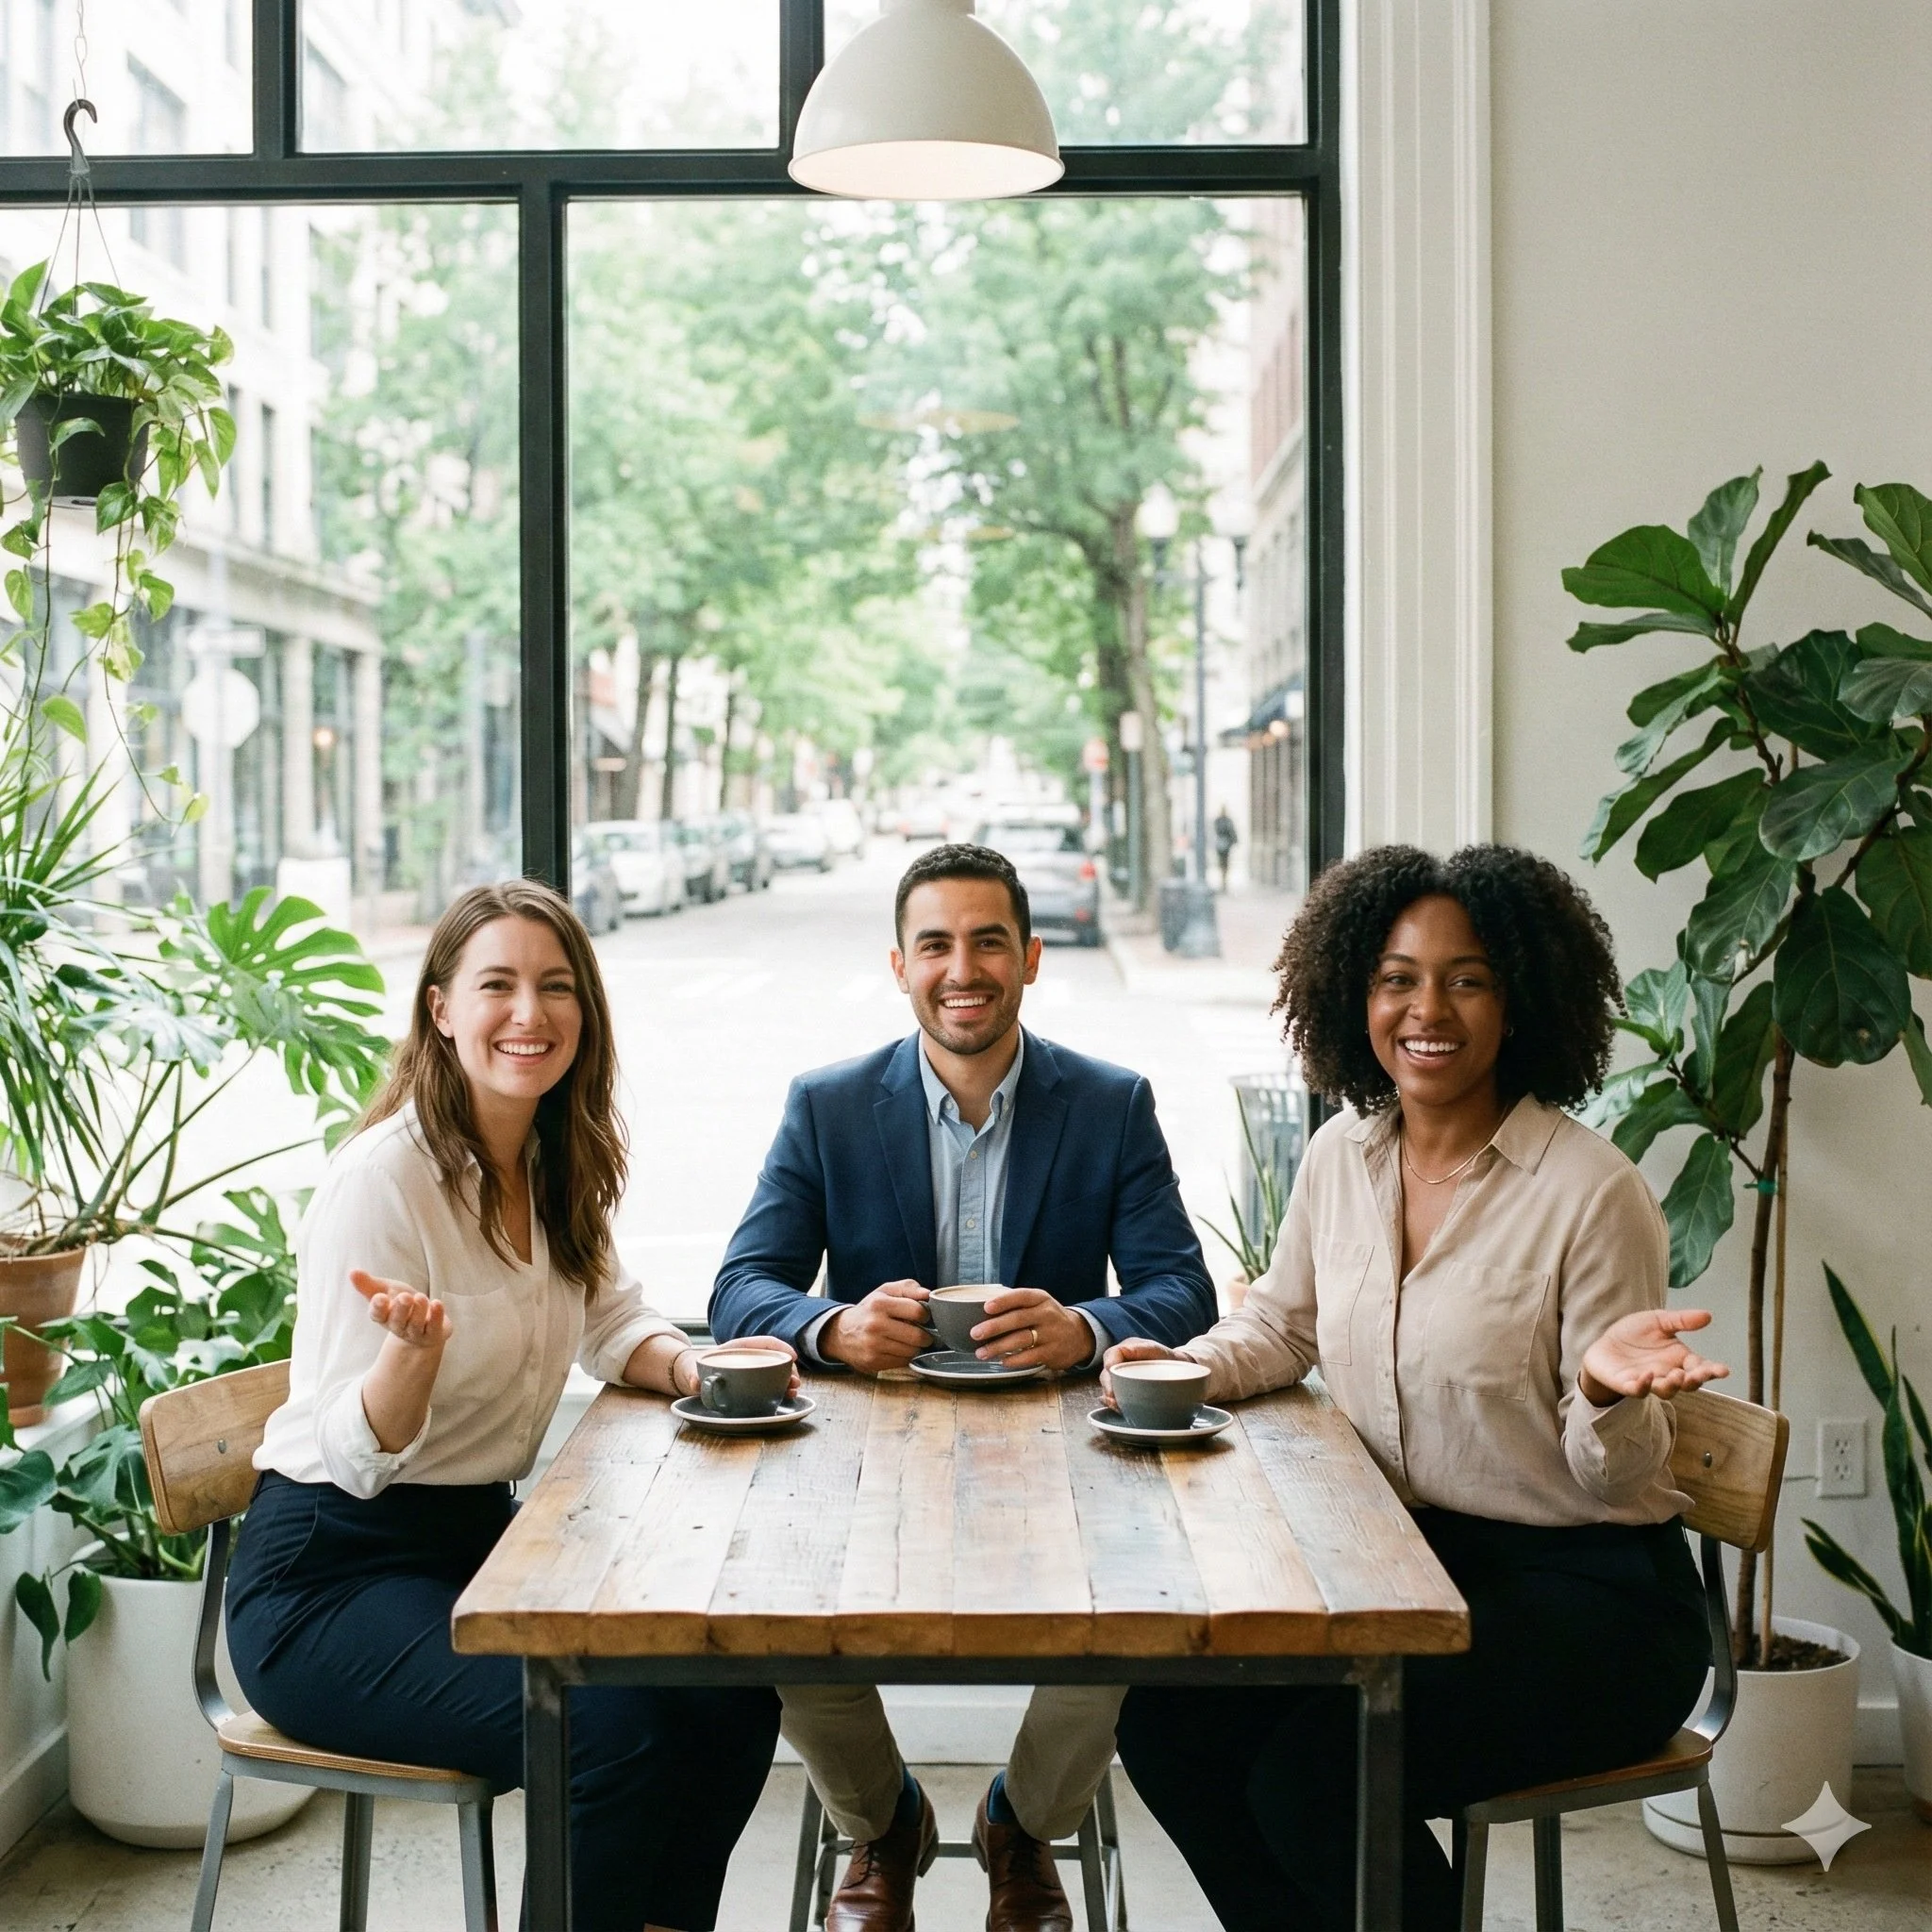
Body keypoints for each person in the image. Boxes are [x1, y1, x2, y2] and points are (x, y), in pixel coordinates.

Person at [1102, 844, 1724, 1932]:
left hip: (1592, 1597)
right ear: (1356, 992)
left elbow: (1613, 1470)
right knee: (1168, 1725)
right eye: (1396, 976)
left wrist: (1604, 1389)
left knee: (1313, 1778)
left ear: (1518, 996)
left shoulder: (1590, 1191)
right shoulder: (1342, 1153)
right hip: (1413, 1572)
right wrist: (1179, 1367)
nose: (1425, 1007)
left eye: (1466, 976)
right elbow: (1280, 1323)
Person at [227, 881, 783, 1932]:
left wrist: (703, 1371)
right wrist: (409, 1359)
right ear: (441, 1008)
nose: (529, 1013)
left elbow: (615, 1321)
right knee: (601, 1729)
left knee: (727, 1694)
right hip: (326, 1578)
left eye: (555, 986)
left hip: (474, 1553)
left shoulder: (555, 1158)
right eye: (497, 985)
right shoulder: (382, 1181)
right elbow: (350, 1451)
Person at [710, 841, 1216, 1932]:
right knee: (772, 1610)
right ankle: (880, 1817)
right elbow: (738, 1286)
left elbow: (1184, 1287)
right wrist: (831, 1324)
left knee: (1142, 1610)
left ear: (1030, 957)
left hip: (1065, 1456)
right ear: (899, 965)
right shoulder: (828, 1104)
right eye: (934, 943)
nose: (962, 967)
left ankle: (1020, 1823)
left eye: (988, 940)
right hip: (865, 1460)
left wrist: (1084, 1327)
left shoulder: (1110, 1101)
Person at [1212, 806, 1238, 891]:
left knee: (1225, 863)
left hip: (1226, 845)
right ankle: (1223, 879)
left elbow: (1232, 832)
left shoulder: (1227, 821)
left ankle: (1224, 880)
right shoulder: (1218, 821)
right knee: (1221, 863)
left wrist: (1234, 841)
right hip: (1221, 845)